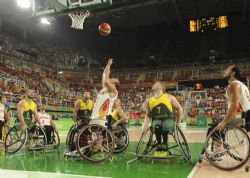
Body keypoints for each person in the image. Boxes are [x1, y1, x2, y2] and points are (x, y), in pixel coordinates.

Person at [143, 81, 183, 156]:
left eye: (156, 83)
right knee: (157, 127)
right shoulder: (149, 100)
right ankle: (159, 144)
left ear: (161, 87)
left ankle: (164, 144)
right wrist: (145, 124)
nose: (154, 84)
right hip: (156, 121)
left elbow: (180, 108)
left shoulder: (169, 97)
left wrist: (179, 122)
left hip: (168, 120)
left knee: (165, 126)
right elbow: (148, 114)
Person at [216, 65, 250, 132]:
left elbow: (234, 106)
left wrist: (223, 122)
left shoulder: (233, 85)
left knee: (214, 126)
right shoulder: (243, 85)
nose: (225, 71)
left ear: (233, 73)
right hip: (248, 116)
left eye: (228, 70)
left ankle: (218, 143)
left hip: (241, 117)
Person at [90, 58, 119, 125]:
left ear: (114, 84)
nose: (111, 79)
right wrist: (108, 65)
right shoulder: (104, 89)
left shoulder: (113, 90)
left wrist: (108, 68)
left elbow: (106, 80)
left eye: (113, 80)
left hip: (102, 118)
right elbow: (104, 76)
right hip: (94, 117)